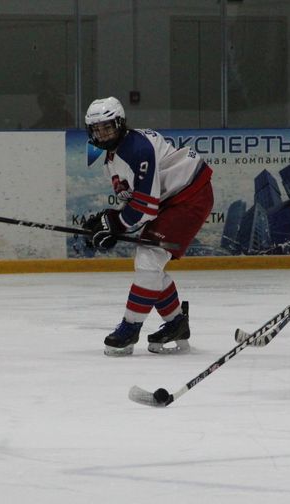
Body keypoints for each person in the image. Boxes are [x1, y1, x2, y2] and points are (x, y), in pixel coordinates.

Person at [82, 96, 213, 356]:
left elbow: (145, 207)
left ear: (120, 124)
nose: (102, 134)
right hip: (172, 199)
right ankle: (176, 323)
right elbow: (137, 200)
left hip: (189, 196)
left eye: (107, 127)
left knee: (148, 260)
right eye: (97, 129)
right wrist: (109, 223)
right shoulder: (112, 159)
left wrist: (115, 225)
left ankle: (131, 328)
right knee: (150, 266)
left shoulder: (137, 149)